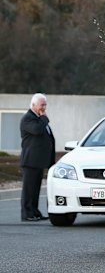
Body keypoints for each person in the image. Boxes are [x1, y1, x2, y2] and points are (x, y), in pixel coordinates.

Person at [20, 93, 55, 222]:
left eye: (45, 104)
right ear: (33, 105)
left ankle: (35, 211)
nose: (44, 107)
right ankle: (27, 213)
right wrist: (45, 119)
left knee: (36, 189)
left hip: (38, 161)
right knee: (28, 190)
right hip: (30, 161)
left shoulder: (39, 118)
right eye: (42, 104)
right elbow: (37, 131)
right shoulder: (28, 118)